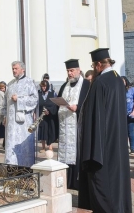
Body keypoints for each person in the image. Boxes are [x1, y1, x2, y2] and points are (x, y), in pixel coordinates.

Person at [78, 48, 131, 213]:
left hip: (102, 144)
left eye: (94, 65)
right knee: (117, 180)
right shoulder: (117, 80)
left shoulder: (100, 82)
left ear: (98, 65)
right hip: (117, 140)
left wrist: (91, 148)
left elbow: (94, 116)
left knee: (103, 181)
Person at [56, 59, 90, 190]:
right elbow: (59, 101)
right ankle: (66, 180)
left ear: (78, 70)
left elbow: (89, 103)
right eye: (68, 71)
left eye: (72, 70)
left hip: (77, 127)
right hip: (64, 125)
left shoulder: (86, 84)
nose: (70, 73)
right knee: (64, 153)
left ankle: (76, 182)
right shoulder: (65, 85)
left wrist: (78, 107)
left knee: (77, 153)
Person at [3, 61, 38, 167]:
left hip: (23, 123)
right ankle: (11, 169)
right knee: (11, 146)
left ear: (23, 69)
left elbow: (34, 99)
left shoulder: (29, 82)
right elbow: (5, 102)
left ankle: (25, 169)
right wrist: (5, 115)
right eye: (13, 69)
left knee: (24, 146)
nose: (14, 70)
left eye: (16, 68)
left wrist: (19, 99)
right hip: (11, 123)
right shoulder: (10, 84)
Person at [37, 80, 57, 152]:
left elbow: (55, 104)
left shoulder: (53, 93)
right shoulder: (38, 94)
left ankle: (50, 146)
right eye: (42, 86)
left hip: (50, 116)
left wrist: (49, 111)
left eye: (45, 86)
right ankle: (43, 147)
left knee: (50, 130)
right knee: (42, 131)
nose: (43, 88)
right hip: (41, 116)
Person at [122, 76, 134, 154]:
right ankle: (124, 148)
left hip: (131, 114)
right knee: (123, 132)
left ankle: (132, 148)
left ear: (126, 81)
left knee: (130, 131)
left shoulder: (132, 89)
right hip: (121, 115)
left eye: (123, 81)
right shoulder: (119, 90)